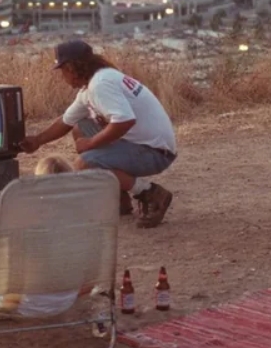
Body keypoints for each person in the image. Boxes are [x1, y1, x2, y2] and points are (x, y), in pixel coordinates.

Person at [19, 40, 177, 228]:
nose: (63, 77)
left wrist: (91, 143)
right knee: (80, 128)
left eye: (62, 71)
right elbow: (66, 121)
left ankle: (149, 193)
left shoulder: (100, 85)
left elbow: (125, 121)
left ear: (71, 68)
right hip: (150, 144)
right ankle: (118, 196)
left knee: (85, 164)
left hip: (155, 153)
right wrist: (38, 140)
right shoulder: (96, 82)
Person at [0, 156, 85, 316]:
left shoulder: (20, 222)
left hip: (20, 304)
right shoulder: (86, 224)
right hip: (64, 301)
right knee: (3, 250)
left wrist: (2, 207)